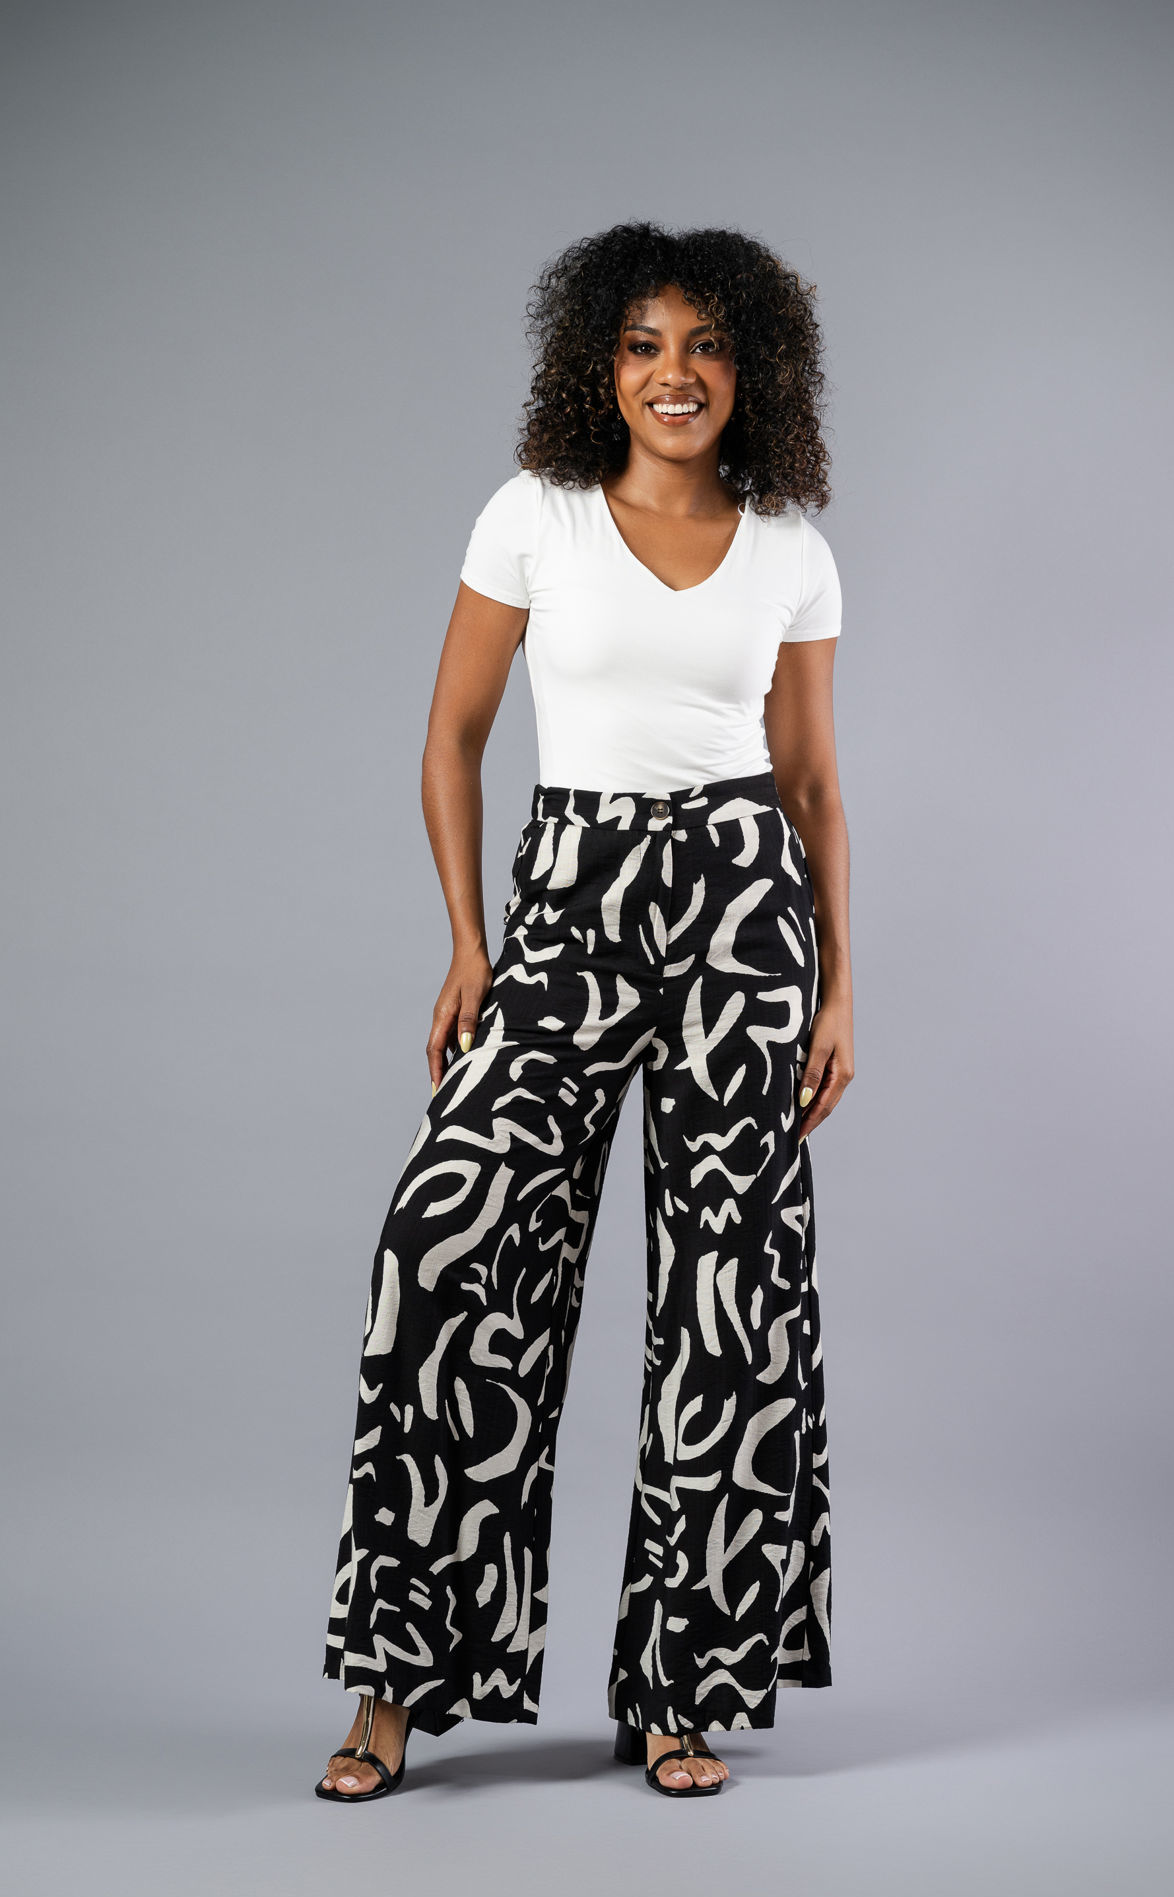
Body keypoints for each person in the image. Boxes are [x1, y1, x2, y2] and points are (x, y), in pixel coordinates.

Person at [316, 220, 854, 1802]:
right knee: (448, 1253)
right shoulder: (535, 515)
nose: (673, 374)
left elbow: (813, 783)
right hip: (570, 902)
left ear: (752, 370)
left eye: (705, 346)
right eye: (642, 345)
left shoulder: (790, 547)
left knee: (731, 1295)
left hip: (744, 912)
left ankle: (683, 1686)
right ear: (597, 368)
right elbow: (452, 734)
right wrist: (468, 941)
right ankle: (395, 1684)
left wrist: (839, 986)